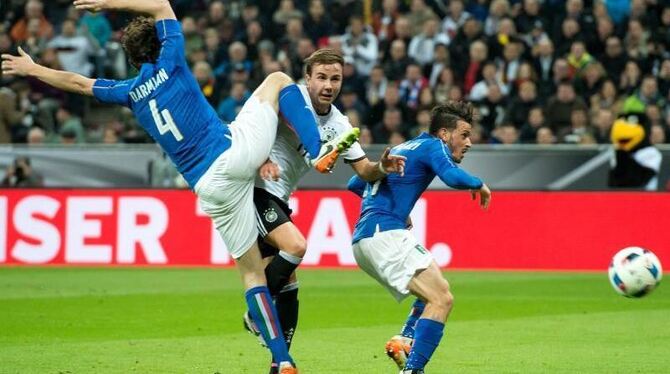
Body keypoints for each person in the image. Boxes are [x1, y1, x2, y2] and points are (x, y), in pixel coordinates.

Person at [2, 1, 357, 372]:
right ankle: (318, 149)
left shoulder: (128, 91)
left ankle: (282, 362)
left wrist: (33, 68)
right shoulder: (171, 58)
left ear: (133, 58)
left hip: (207, 186)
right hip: (233, 153)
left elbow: (77, 82)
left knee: (251, 274)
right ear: (160, 42)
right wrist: (106, 4)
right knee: (278, 81)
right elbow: (161, 5)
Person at [243, 48, 406, 374]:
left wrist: (383, 168)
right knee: (296, 246)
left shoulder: (340, 125)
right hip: (255, 190)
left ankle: (280, 361)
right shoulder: (288, 99)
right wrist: (262, 159)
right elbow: (250, 128)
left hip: (279, 198)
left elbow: (364, 171)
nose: (328, 85)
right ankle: (254, 314)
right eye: (321, 77)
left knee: (289, 282)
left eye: (335, 79)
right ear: (307, 79)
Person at [347, 101, 491, 374]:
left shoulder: (405, 146)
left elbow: (355, 183)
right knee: (442, 299)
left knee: (432, 290)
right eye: (464, 134)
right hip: (385, 233)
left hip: (364, 239)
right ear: (445, 134)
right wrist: (478, 183)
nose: (469, 142)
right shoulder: (433, 146)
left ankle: (404, 340)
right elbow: (450, 176)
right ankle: (412, 370)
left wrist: (398, 206)